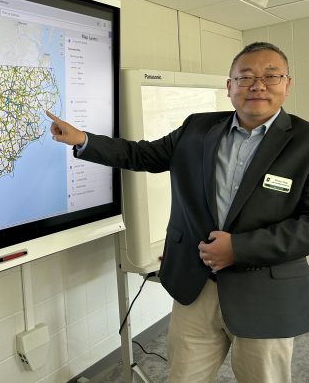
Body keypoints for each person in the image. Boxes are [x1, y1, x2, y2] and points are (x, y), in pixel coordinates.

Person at [47, 42, 309, 383]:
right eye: (245, 77)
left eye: (271, 75)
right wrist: (83, 139)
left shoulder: (304, 142)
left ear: (287, 84)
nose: (257, 85)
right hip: (196, 286)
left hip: (263, 292)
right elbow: (141, 155)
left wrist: (238, 249)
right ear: (229, 86)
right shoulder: (197, 128)